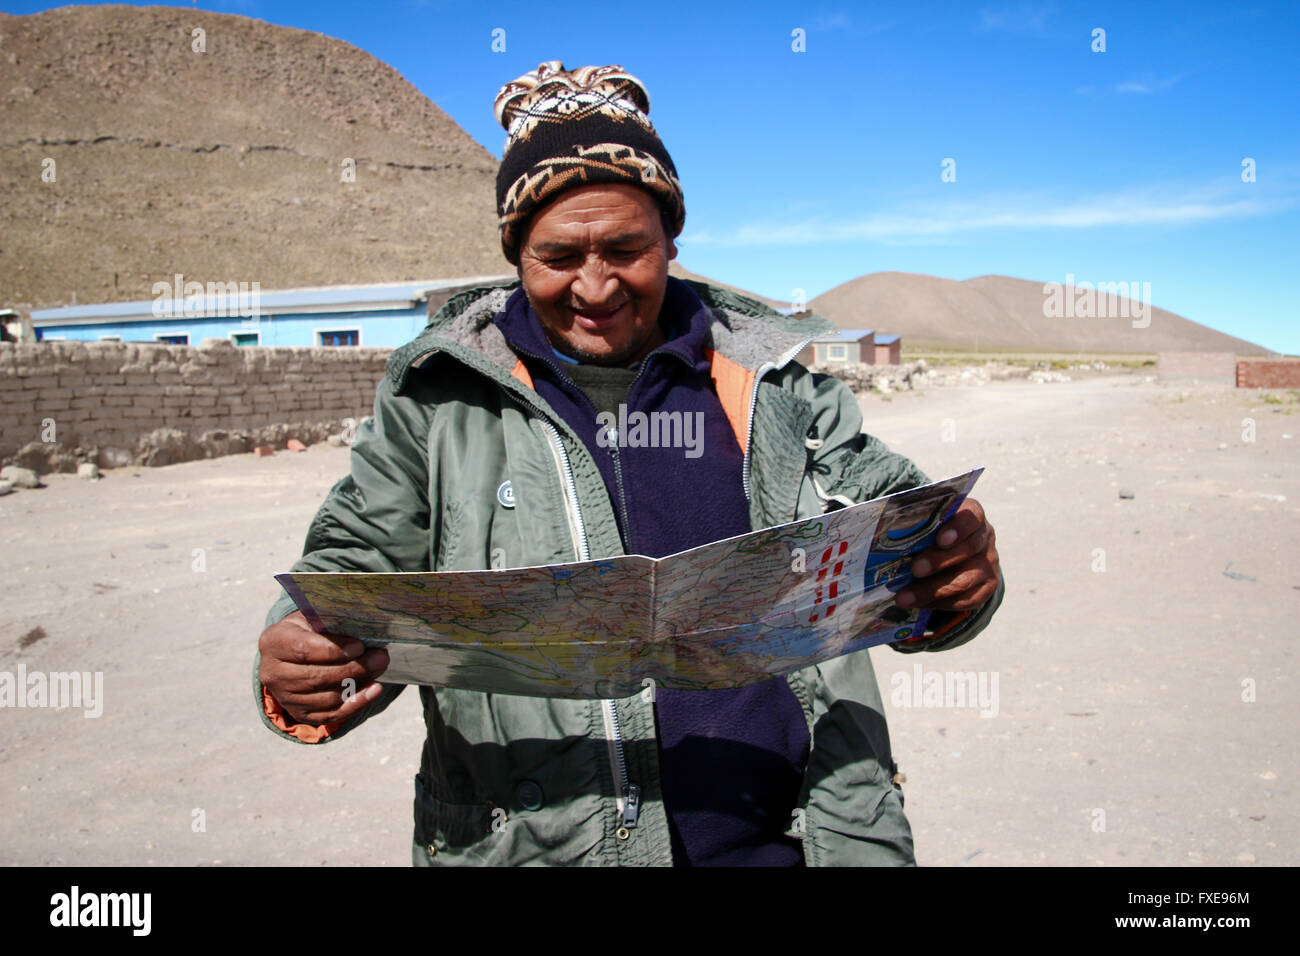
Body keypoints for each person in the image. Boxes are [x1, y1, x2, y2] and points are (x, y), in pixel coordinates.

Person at [253, 61, 1004, 866]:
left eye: (626, 249)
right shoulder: (436, 405)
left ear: (672, 239)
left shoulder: (777, 383)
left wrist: (959, 572)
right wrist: (297, 658)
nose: (596, 285)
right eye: (559, 256)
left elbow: (904, 527)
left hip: (793, 845)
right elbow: (350, 565)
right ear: (516, 252)